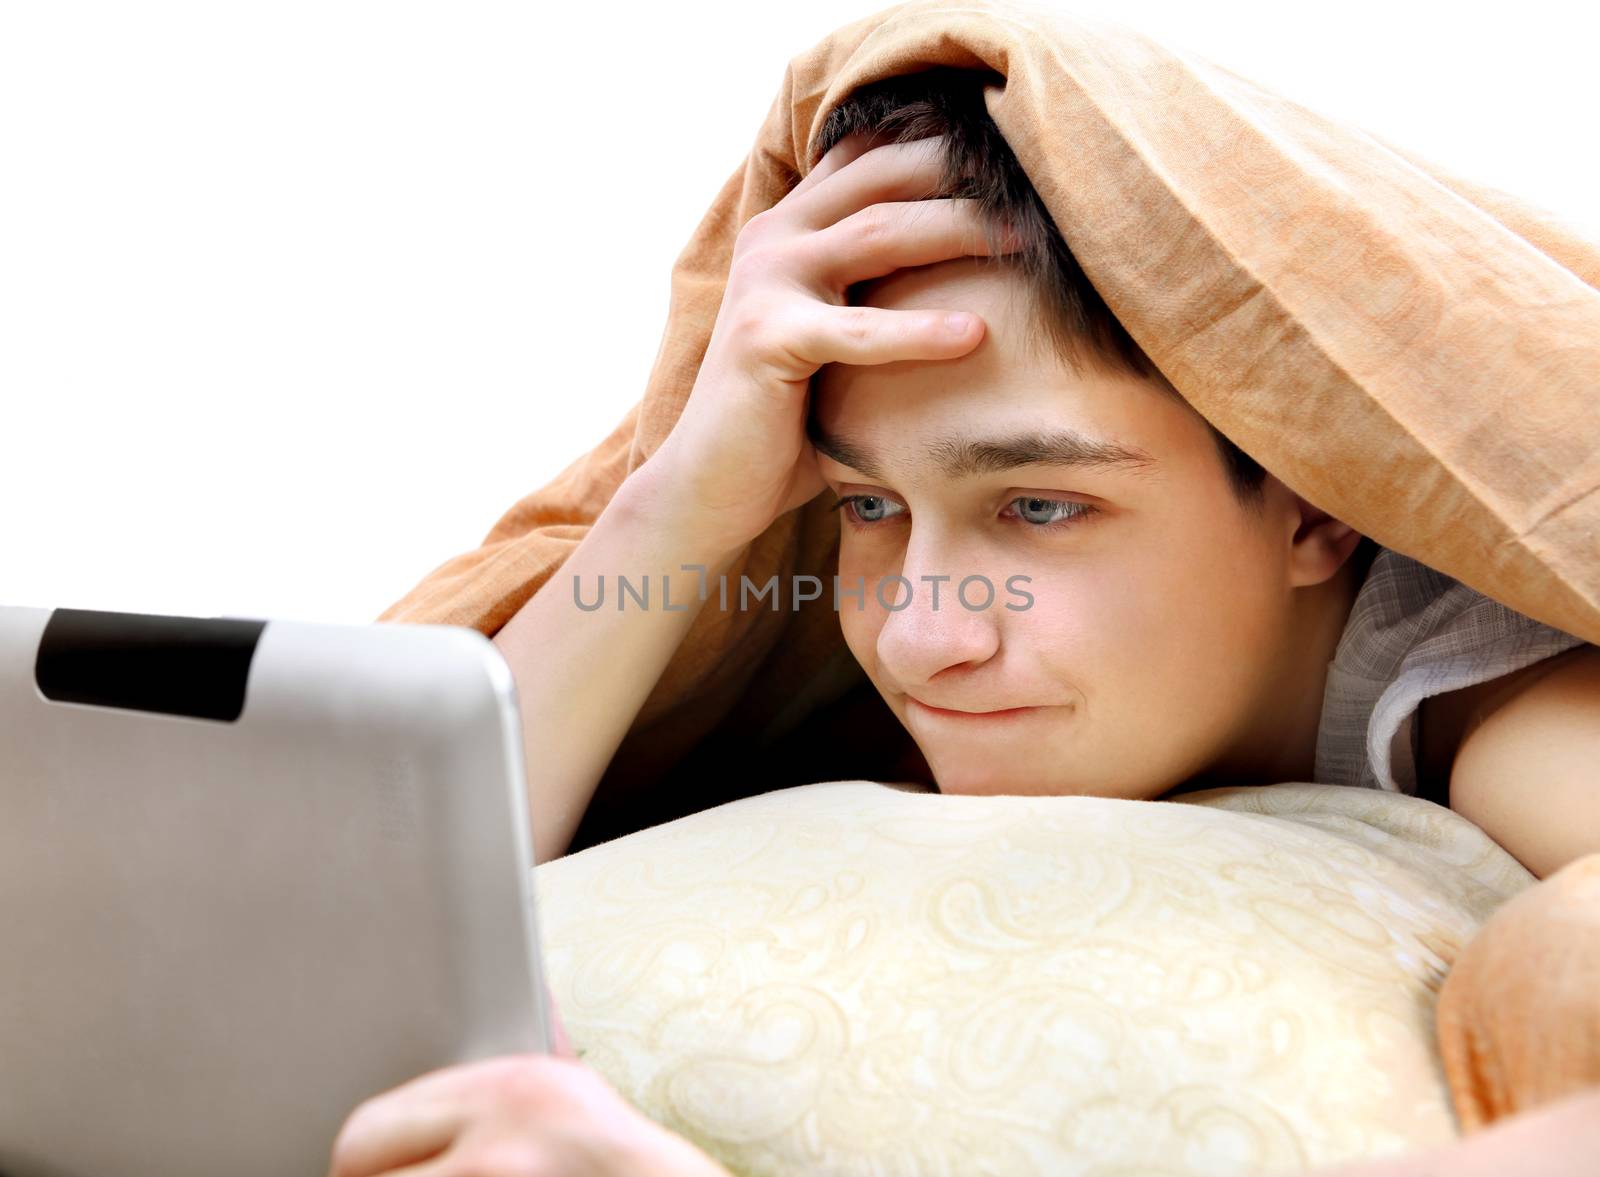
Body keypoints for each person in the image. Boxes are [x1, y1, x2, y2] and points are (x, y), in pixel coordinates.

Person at [326, 68, 1600, 1177]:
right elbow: (369, 931)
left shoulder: (1494, 698)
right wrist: (672, 512)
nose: (921, 638)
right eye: (866, 503)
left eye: (1041, 505)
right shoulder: (884, 653)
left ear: (1317, 501)